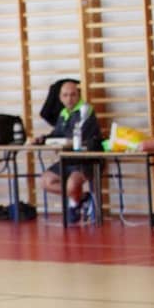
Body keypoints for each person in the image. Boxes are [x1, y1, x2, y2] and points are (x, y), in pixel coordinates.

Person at [35, 79, 104, 223]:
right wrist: (43, 139)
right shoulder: (63, 113)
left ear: (78, 95)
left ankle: (74, 203)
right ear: (60, 98)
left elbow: (81, 135)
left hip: (86, 159)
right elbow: (57, 134)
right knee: (45, 181)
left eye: (73, 95)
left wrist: (66, 142)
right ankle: (82, 198)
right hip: (68, 158)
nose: (69, 99)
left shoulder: (85, 110)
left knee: (72, 185)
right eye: (65, 95)